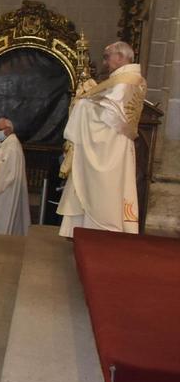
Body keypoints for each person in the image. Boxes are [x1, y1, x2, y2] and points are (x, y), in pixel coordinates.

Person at [58, 41, 147, 237]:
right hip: (117, 144)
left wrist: (82, 103)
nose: (105, 62)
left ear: (121, 57)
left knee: (104, 189)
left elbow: (110, 116)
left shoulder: (126, 81)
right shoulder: (133, 79)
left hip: (110, 145)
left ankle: (100, 230)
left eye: (107, 57)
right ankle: (85, 229)